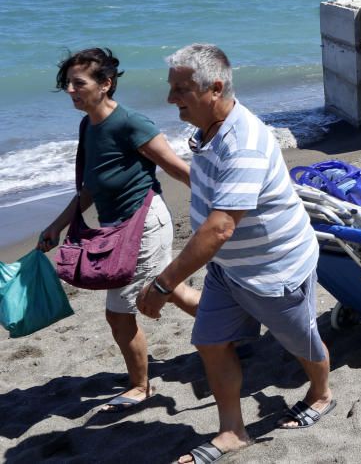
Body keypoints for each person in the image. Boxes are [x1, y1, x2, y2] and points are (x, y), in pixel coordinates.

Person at [137, 44, 332, 464]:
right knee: (210, 342)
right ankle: (232, 432)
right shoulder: (208, 130)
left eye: (181, 90)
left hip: (274, 268)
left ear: (216, 88)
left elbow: (221, 227)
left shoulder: (243, 143)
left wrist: (164, 283)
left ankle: (321, 394)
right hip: (230, 268)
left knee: (300, 342)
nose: (171, 99)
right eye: (171, 88)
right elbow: (213, 195)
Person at [37, 47, 200, 412]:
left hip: (143, 225)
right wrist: (57, 226)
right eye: (68, 84)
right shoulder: (88, 125)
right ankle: (228, 328)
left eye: (78, 83)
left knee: (118, 312)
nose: (70, 90)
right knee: (168, 290)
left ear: (105, 84)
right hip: (117, 229)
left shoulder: (130, 123)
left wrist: (225, 208)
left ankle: (140, 387)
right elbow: (90, 189)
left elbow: (176, 169)